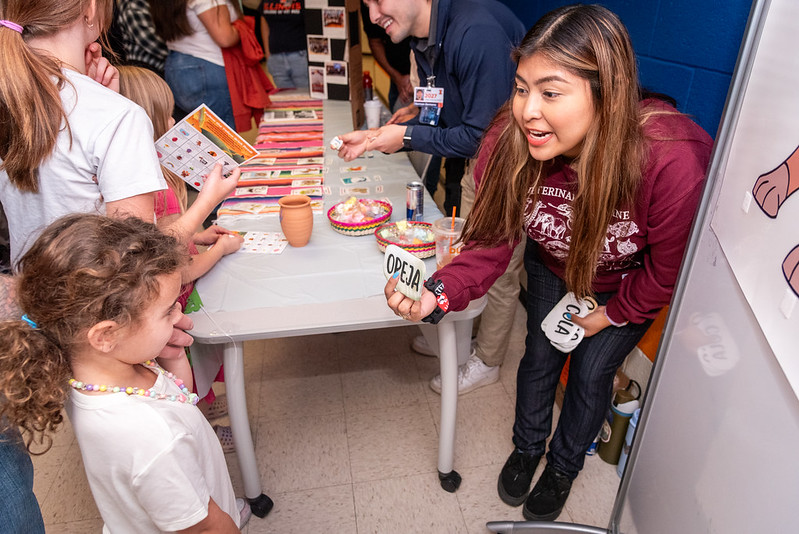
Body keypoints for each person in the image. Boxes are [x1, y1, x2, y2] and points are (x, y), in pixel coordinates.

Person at [384, 4, 713, 521]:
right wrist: (436, 293)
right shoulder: (508, 142)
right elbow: (489, 243)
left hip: (624, 287)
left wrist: (609, 314)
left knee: (590, 374)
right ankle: (528, 447)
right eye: (520, 88)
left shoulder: (674, 160)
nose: (526, 111)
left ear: (607, 92)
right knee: (538, 357)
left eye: (550, 92)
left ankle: (563, 466)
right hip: (551, 266)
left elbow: (666, 272)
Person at [0, 214, 249, 531]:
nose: (179, 314)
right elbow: (205, 527)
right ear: (105, 335)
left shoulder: (100, 371)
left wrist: (172, 360)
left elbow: (178, 400)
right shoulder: (152, 438)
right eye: (169, 309)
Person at [118, 65, 244, 449]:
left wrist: (201, 233)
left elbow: (175, 228)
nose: (175, 122)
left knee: (191, 363)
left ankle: (202, 404)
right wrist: (219, 249)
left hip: (172, 298)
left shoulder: (150, 176)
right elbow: (182, 266)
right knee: (183, 367)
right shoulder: (149, 187)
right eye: (167, 116)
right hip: (173, 298)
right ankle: (200, 425)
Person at [151, 0, 241, 127]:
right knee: (219, 133)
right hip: (207, 66)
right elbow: (225, 38)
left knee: (195, 132)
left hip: (176, 66)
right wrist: (242, 30)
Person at [360, 0, 411, 111]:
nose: (373, 17)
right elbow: (375, 42)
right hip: (398, 79)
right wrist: (397, 78)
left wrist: (417, 79)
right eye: (367, 6)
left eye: (378, 1)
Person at [259, 0, 309, 90]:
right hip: (276, 57)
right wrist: (267, 53)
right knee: (285, 97)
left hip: (300, 55)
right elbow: (264, 23)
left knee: (306, 96)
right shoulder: (266, 1)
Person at [114, 0, 169, 77]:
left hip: (157, 69)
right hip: (144, 69)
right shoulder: (133, 4)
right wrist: (180, 51)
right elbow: (149, 41)